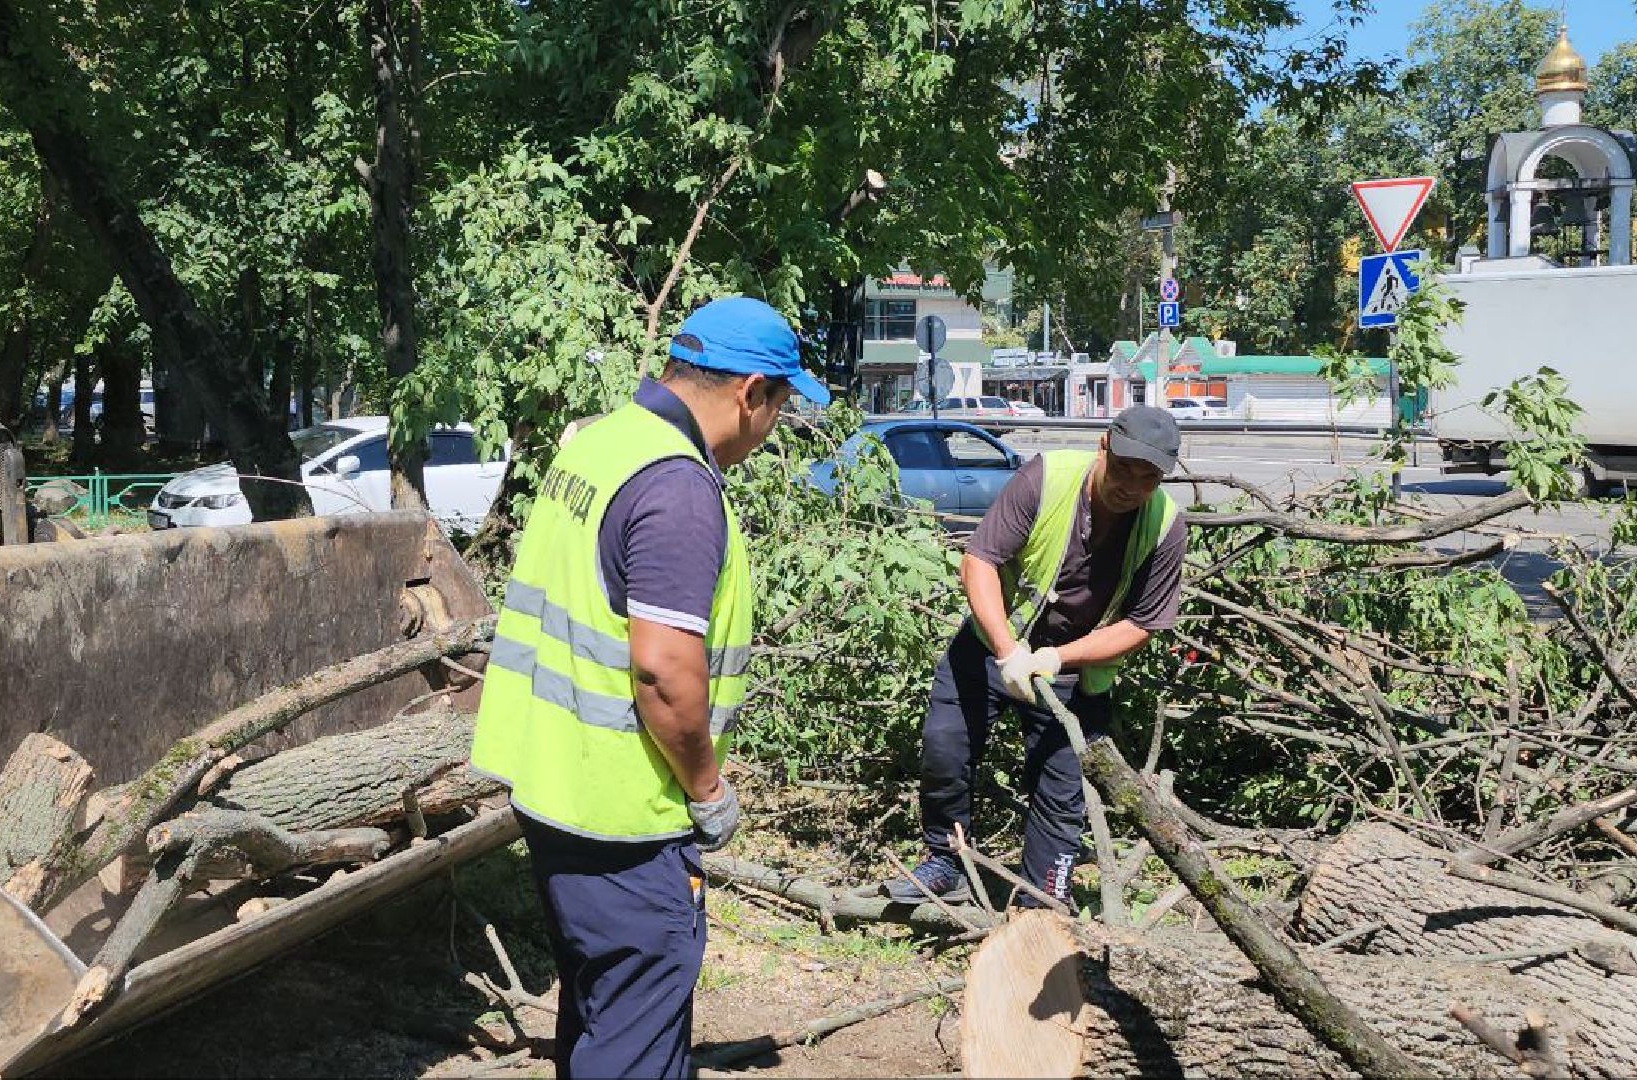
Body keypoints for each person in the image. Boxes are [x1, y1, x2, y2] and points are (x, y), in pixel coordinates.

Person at [471, 297, 829, 1079]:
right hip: (623, 812)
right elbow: (663, 674)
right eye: (779, 405)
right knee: (636, 1027)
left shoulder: (603, 444)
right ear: (750, 393)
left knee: (602, 1006)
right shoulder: (678, 488)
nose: (771, 430)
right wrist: (706, 787)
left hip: (553, 785)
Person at [883, 405, 1188, 908]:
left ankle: (1043, 899)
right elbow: (979, 560)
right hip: (992, 643)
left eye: (1147, 478)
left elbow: (1141, 625)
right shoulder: (1047, 477)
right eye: (1124, 469)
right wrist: (1007, 649)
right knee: (945, 746)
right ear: (1103, 447)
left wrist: (1054, 658)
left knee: (1060, 786)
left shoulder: (1165, 526)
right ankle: (946, 859)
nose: (1131, 487)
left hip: (1076, 670)